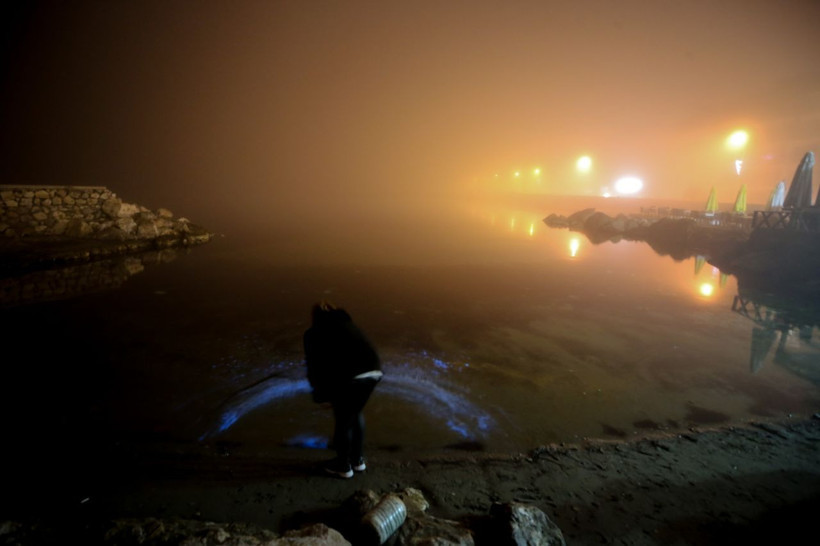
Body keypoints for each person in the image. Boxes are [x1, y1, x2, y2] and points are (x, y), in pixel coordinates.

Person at [304, 301, 383, 478]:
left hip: (352, 376)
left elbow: (316, 366)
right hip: (374, 371)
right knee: (355, 413)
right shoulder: (347, 325)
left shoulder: (314, 333)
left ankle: (342, 466)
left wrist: (320, 394)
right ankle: (357, 460)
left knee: (343, 420)